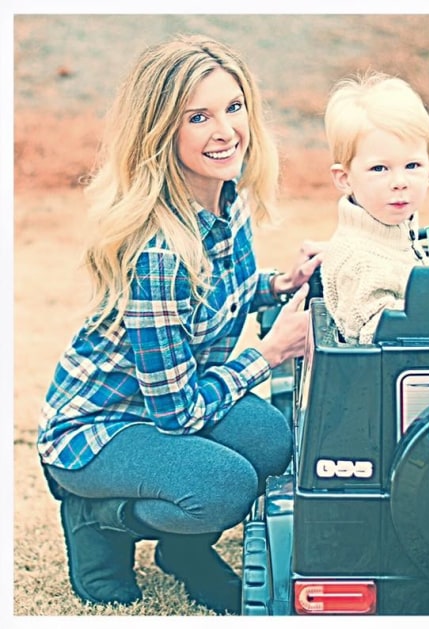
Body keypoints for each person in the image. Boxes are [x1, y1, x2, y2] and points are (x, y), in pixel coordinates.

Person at [36, 34, 322, 615]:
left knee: (270, 441)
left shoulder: (226, 196)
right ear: (163, 132)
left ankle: (181, 550)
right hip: (99, 429)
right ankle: (96, 519)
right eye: (198, 117)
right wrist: (266, 355)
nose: (226, 131)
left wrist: (279, 285)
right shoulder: (158, 256)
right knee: (225, 487)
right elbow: (180, 414)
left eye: (233, 108)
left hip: (167, 400)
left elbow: (220, 295)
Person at [320, 71, 429, 344]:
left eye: (412, 166)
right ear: (345, 178)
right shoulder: (357, 259)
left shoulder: (399, 232)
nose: (400, 182)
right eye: (380, 168)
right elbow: (372, 335)